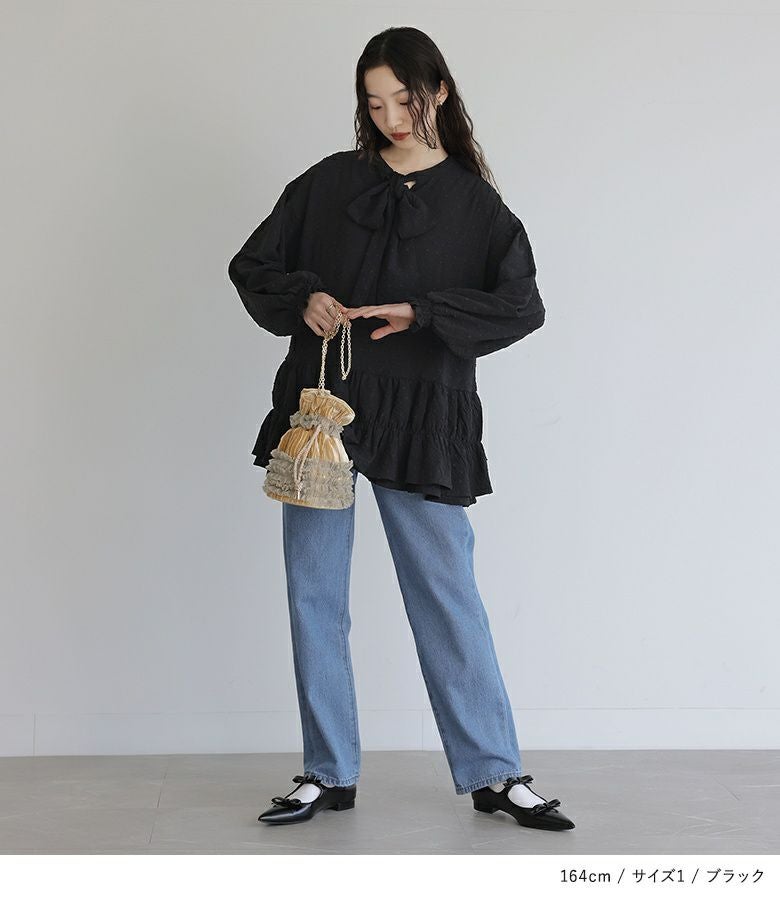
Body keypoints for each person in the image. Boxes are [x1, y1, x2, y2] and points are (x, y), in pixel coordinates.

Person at [227, 26, 575, 832]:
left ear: (439, 93)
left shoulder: (476, 206)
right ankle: (327, 772)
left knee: (446, 595)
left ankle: (494, 773)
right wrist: (306, 297)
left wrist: (425, 312)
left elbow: (522, 305)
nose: (389, 117)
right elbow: (253, 265)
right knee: (314, 592)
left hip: (423, 416)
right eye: (374, 103)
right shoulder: (327, 183)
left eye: (404, 101)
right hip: (323, 413)